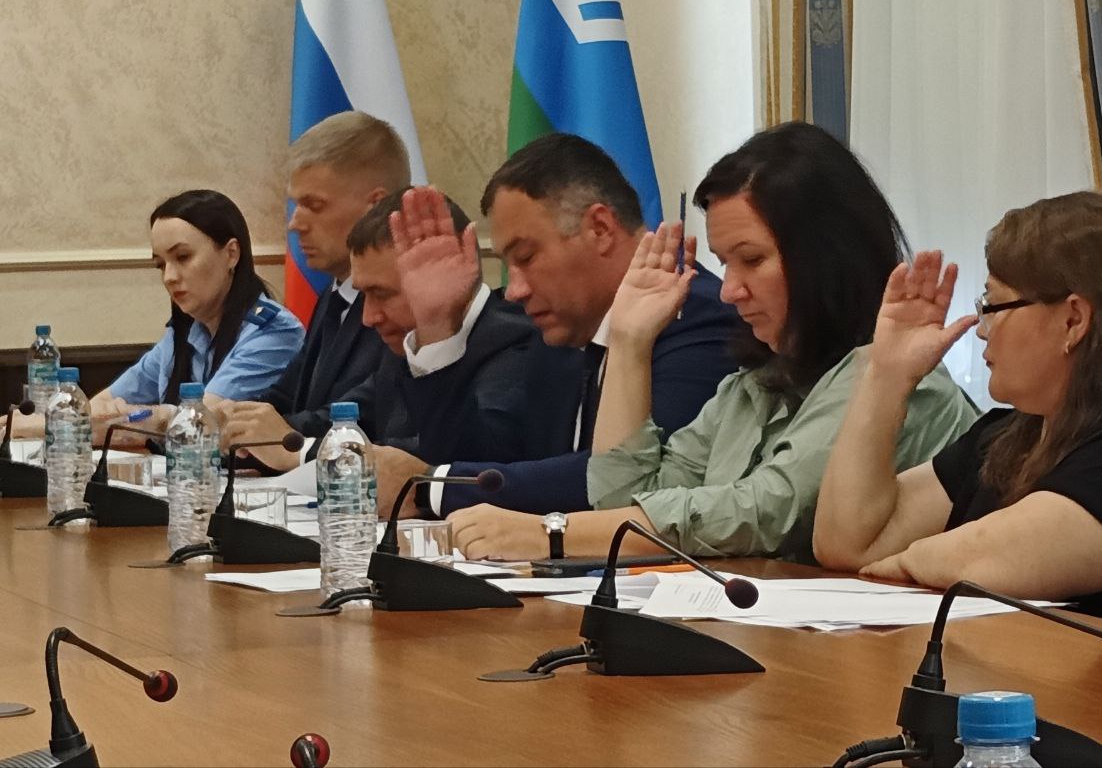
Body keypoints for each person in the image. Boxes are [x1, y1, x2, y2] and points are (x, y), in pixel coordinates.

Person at [448, 123, 976, 561]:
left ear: (824, 254)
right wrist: (629, 343)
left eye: (752, 259)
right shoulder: (752, 386)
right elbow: (622, 505)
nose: (728, 290)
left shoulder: (899, 378)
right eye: (724, 263)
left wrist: (553, 534)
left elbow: (766, 510)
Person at [811, 191, 1102, 639]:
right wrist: (887, 375)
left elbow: (988, 562)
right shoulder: (1009, 434)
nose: (980, 329)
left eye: (993, 305)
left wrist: (905, 560)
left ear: (1073, 320)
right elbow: (848, 542)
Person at [383, 134, 740, 527]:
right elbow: (495, 464)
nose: (514, 290)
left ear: (600, 229)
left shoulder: (698, 318)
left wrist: (431, 485)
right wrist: (437, 328)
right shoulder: (564, 331)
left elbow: (632, 482)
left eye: (526, 257)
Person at [233, 189, 538, 515]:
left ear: (450, 275)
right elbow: (348, 420)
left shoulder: (518, 339)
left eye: (382, 294)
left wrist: (303, 452)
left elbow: (463, 464)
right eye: (364, 296)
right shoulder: (405, 346)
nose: (368, 317)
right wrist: (254, 437)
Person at [219, 111, 405, 452]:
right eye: (296, 205)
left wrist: (271, 433)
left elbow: (366, 416)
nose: (295, 224)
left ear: (376, 206)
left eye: (314, 205)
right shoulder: (333, 296)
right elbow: (287, 395)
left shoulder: (402, 304)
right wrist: (228, 417)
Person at [92, 189, 304, 424]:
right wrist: (110, 414)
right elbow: (97, 406)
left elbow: (200, 421)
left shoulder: (275, 332)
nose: (169, 277)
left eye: (183, 257)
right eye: (160, 265)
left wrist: (129, 416)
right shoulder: (183, 333)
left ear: (231, 254)